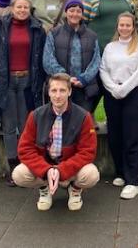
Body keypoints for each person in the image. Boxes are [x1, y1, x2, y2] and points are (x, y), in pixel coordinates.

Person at [12, 73, 99, 212]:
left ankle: (75, 189)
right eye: (54, 90)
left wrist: (61, 170)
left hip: (68, 167)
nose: (57, 95)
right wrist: (46, 170)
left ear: (70, 92)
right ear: (48, 92)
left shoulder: (83, 117)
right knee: (18, 174)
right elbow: (25, 149)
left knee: (91, 174)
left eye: (62, 90)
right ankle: (44, 188)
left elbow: (87, 152)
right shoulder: (36, 115)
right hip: (45, 165)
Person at [0, 0, 47, 186]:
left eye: (25, 7)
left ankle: (27, 167)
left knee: (27, 126)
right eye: (18, 6)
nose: (22, 10)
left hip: (28, 81)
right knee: (10, 127)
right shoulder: (1, 27)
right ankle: (13, 168)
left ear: (30, 9)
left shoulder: (37, 29)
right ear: (12, 8)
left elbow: (43, 55)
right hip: (7, 82)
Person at [100, 12, 138, 200]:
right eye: (122, 25)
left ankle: (133, 181)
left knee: (133, 136)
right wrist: (114, 88)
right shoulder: (110, 47)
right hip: (113, 93)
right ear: (117, 26)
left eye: (128, 25)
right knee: (115, 135)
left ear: (134, 26)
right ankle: (121, 172)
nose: (124, 28)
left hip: (134, 93)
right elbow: (103, 69)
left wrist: (124, 89)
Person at [83, 0, 135, 121]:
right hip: (97, 49)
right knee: (96, 85)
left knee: (118, 83)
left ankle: (114, 117)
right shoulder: (92, 0)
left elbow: (134, 19)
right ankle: (89, 115)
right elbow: (84, 22)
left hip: (122, 50)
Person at [43, 0, 101, 113]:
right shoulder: (54, 34)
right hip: (60, 87)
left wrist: (83, 79)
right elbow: (48, 60)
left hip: (84, 88)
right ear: (66, 12)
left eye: (78, 11)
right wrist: (66, 78)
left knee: (81, 123)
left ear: (82, 14)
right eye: (72, 10)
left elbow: (96, 61)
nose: (75, 14)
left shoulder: (92, 36)